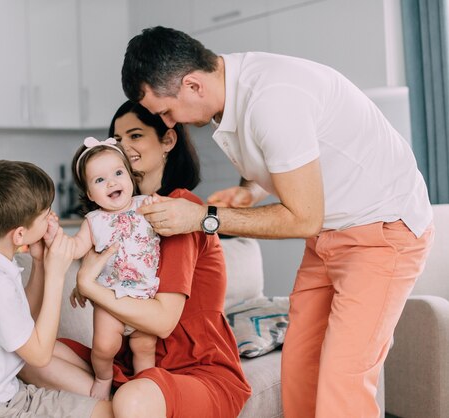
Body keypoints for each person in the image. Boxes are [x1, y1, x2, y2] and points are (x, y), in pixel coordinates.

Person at [120, 26, 435, 418]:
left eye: (166, 111)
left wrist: (204, 218)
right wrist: (249, 192)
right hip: (328, 234)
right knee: (300, 370)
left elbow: (303, 217)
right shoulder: (234, 95)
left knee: (342, 382)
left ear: (192, 85)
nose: (169, 122)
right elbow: (284, 156)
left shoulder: (271, 99)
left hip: (383, 231)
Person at [22, 100, 251, 418]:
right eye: (118, 139)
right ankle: (120, 403)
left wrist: (88, 285)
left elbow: (162, 320)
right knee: (31, 356)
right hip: (128, 363)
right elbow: (84, 251)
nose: (125, 146)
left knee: (133, 399)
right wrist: (42, 251)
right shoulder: (106, 220)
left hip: (195, 368)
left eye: (136, 135)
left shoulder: (180, 209)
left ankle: (126, 404)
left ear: (167, 141)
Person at [0, 160, 111, 418]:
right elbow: (38, 355)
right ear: (18, 235)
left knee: (111, 406)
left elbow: (23, 320)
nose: (51, 217)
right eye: (45, 213)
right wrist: (56, 275)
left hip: (5, 395)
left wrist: (39, 262)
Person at [68, 136, 160, 401]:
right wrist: (53, 236)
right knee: (103, 347)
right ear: (89, 193)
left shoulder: (145, 205)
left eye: (118, 173)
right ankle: (103, 377)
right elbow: (75, 249)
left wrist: (160, 208)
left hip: (144, 298)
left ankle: (146, 387)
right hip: (109, 298)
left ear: (130, 177)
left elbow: (168, 223)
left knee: (145, 347)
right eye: (99, 180)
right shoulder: (93, 221)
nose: (111, 182)